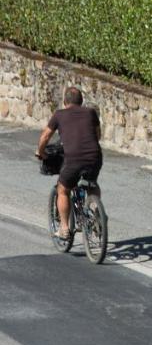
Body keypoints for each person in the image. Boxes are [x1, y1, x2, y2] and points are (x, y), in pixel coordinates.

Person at [35, 86, 102, 241]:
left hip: (73, 158)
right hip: (95, 156)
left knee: (63, 189)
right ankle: (97, 212)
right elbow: (98, 135)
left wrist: (40, 152)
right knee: (92, 183)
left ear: (65, 102)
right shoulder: (91, 112)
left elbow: (45, 136)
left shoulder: (59, 114)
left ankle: (64, 228)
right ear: (81, 102)